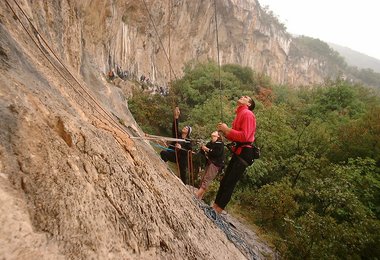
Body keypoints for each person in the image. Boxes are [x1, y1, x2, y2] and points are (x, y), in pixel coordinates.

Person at [212, 95, 256, 214]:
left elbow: (245, 136)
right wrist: (225, 132)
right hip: (239, 151)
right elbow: (236, 135)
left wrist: (227, 130)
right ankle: (215, 206)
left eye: (246, 97)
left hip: (245, 152)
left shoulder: (248, 114)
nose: (243, 96)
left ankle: (218, 210)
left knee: (230, 182)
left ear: (249, 104)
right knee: (225, 180)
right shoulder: (240, 114)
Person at [160, 107, 192, 184]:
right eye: (185, 127)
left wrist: (181, 148)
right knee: (163, 153)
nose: (184, 128)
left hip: (181, 158)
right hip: (174, 154)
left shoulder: (188, 141)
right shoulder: (178, 136)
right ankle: (164, 166)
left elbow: (189, 151)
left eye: (186, 128)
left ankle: (184, 184)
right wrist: (176, 117)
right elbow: (174, 129)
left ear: (188, 132)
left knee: (183, 173)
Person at [195, 131, 224, 200]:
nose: (214, 131)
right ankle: (199, 197)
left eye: (215, 132)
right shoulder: (211, 143)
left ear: (218, 136)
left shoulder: (220, 144)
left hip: (215, 164)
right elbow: (204, 151)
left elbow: (216, 153)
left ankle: (196, 195)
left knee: (206, 179)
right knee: (203, 178)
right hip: (210, 162)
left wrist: (206, 149)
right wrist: (202, 148)